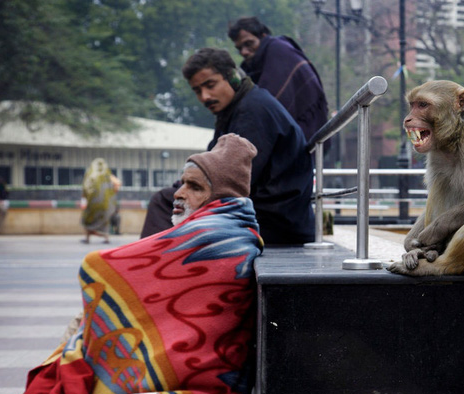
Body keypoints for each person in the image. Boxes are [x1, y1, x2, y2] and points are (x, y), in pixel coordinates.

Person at [7, 134, 265, 394]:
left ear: (221, 196)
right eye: (182, 183)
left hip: (206, 380)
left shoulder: (215, 235)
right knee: (90, 324)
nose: (179, 194)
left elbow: (98, 266)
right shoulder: (235, 229)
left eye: (195, 187)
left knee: (93, 303)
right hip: (220, 379)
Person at [140, 48, 315, 245]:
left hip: (276, 221)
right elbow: (209, 166)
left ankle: (150, 268)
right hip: (271, 214)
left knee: (165, 201)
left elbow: (226, 179)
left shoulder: (252, 111)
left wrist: (183, 189)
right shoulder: (236, 109)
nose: (204, 96)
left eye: (210, 85)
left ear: (232, 77)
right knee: (176, 196)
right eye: (197, 90)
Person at [228, 16, 328, 143]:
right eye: (239, 48)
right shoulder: (249, 68)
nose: (244, 52)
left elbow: (271, 102)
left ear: (263, 36)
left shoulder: (278, 49)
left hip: (305, 128)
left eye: (249, 44)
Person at [81, 158, 118, 244]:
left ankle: (87, 238)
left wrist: (85, 197)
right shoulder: (107, 175)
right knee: (105, 221)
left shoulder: (91, 175)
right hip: (105, 204)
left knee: (89, 220)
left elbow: (86, 187)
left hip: (93, 203)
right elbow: (117, 184)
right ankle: (106, 238)